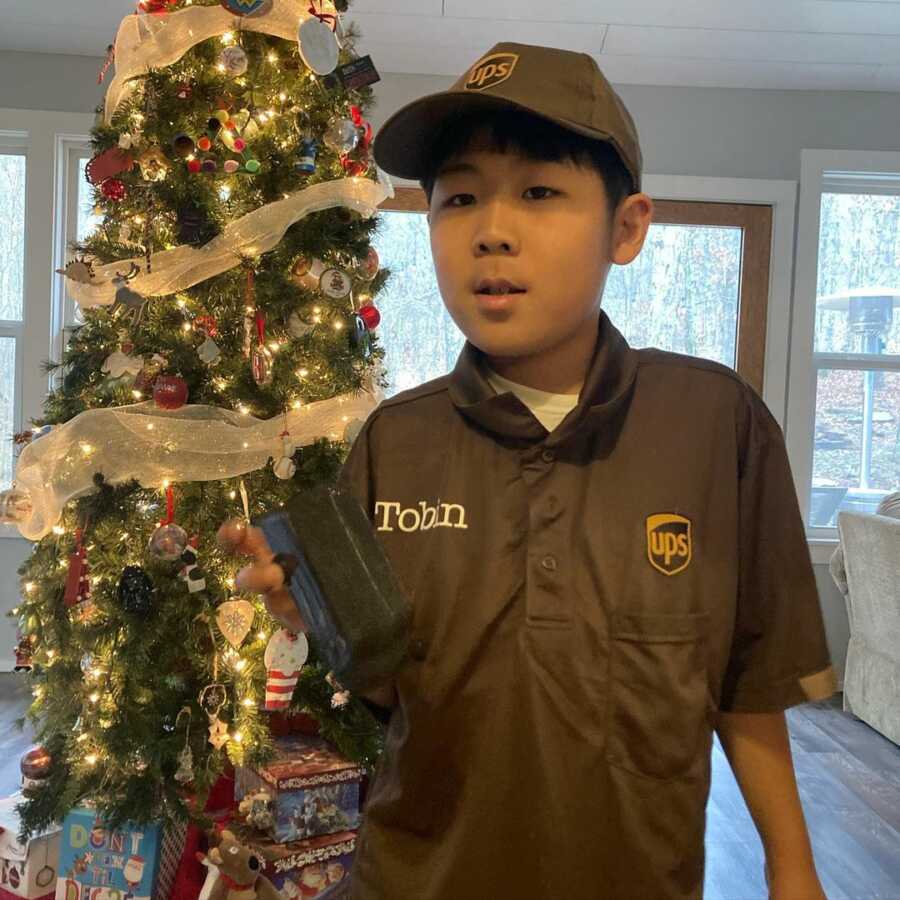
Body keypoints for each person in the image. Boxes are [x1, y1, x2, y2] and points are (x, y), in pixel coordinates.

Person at [219, 42, 837, 900]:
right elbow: (389, 692)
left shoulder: (715, 426)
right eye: (459, 197)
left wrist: (792, 866)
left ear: (626, 228)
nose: (492, 229)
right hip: (420, 877)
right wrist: (313, 612)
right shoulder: (393, 445)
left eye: (541, 192)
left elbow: (749, 678)